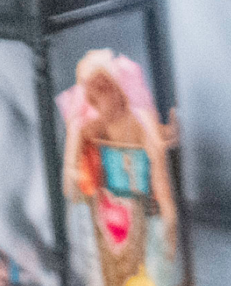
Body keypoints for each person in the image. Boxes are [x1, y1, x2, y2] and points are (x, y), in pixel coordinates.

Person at [59, 50, 179, 286]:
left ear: (118, 90)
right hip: (107, 224)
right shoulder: (90, 131)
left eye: (102, 92)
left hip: (145, 221)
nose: (94, 103)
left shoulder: (142, 128)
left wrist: (169, 221)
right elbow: (70, 189)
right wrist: (74, 132)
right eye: (91, 97)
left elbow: (161, 183)